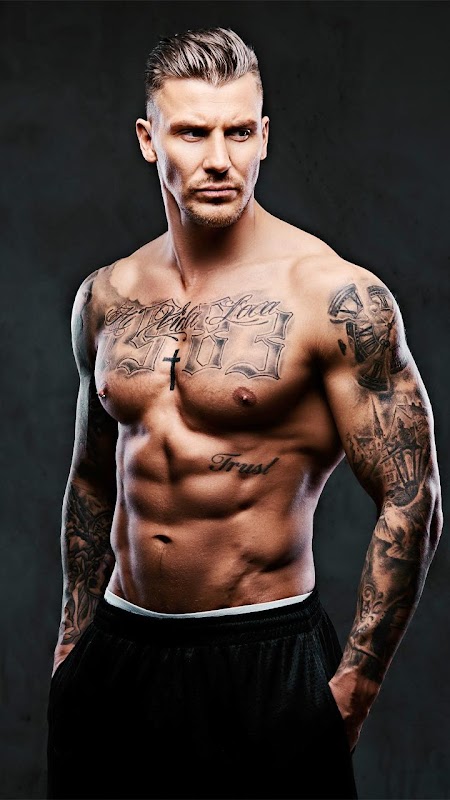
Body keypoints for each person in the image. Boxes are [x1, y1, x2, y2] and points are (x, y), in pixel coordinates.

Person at [46, 25, 443, 800]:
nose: (219, 159)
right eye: (193, 132)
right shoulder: (108, 295)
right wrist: (72, 645)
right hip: (118, 655)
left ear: (264, 137)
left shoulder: (333, 297)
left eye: (237, 132)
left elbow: (412, 495)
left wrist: (354, 687)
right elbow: (92, 477)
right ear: (148, 140)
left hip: (261, 656)